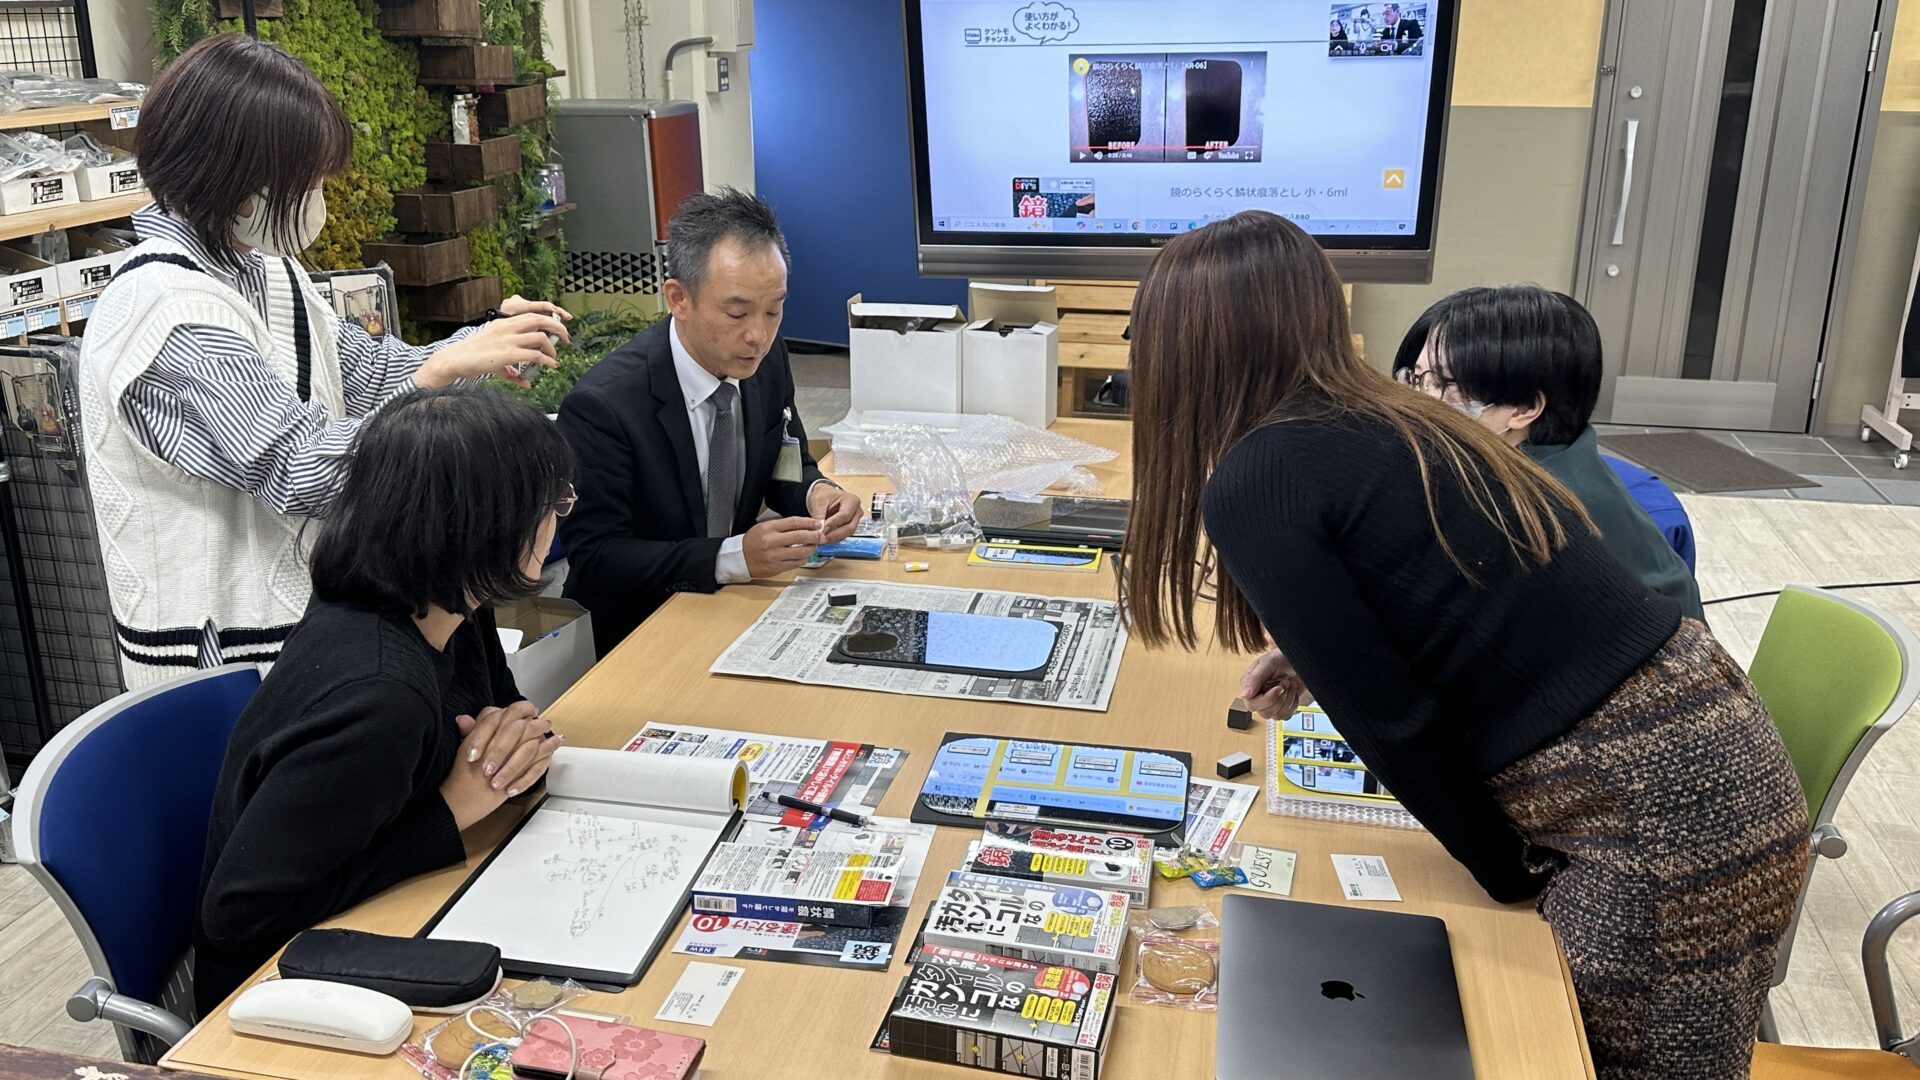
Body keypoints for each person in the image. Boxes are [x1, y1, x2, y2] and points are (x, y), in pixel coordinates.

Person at [1124, 211, 1806, 1079]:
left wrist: (1509, 877)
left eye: (1145, 331)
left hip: (1652, 815)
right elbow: (1467, 584)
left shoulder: (1262, 473)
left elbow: (1395, 722)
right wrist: (1312, 645)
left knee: (1582, 1057)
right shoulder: (1399, 416)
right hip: (1707, 746)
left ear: (1194, 344)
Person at [77, 33, 571, 687]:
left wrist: (468, 350)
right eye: (303, 179)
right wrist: (437, 375)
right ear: (236, 180)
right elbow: (298, 468)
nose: (316, 195)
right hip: (219, 665)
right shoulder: (170, 312)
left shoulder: (267, 273)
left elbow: (365, 377)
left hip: (306, 629)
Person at [194, 384, 571, 1014]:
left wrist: (513, 745)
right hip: (281, 994)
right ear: (488, 528)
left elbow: (505, 714)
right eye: (554, 502)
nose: (561, 516)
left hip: (385, 916)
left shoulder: (447, 602)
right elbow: (238, 917)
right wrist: (453, 810)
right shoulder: (380, 697)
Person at [556, 188, 862, 657]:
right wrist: (734, 557)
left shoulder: (766, 361)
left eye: (774, 310)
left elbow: (785, 460)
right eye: (737, 312)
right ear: (679, 298)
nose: (758, 334)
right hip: (641, 634)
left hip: (737, 609)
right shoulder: (606, 406)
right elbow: (598, 557)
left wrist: (817, 492)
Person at [1392, 285, 1704, 620]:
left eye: (1442, 384)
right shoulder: (1549, 457)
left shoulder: (1531, 517)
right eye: (1416, 377)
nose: (1418, 400)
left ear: (1524, 407)